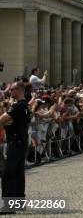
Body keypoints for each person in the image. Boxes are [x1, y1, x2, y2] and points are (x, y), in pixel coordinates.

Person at [0, 82, 31, 212]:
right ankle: (19, 202)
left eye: (12, 89)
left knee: (8, 173)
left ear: (19, 90)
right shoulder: (26, 106)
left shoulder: (18, 106)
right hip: (22, 141)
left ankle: (8, 206)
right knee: (19, 172)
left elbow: (1, 120)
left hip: (15, 142)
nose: (10, 91)